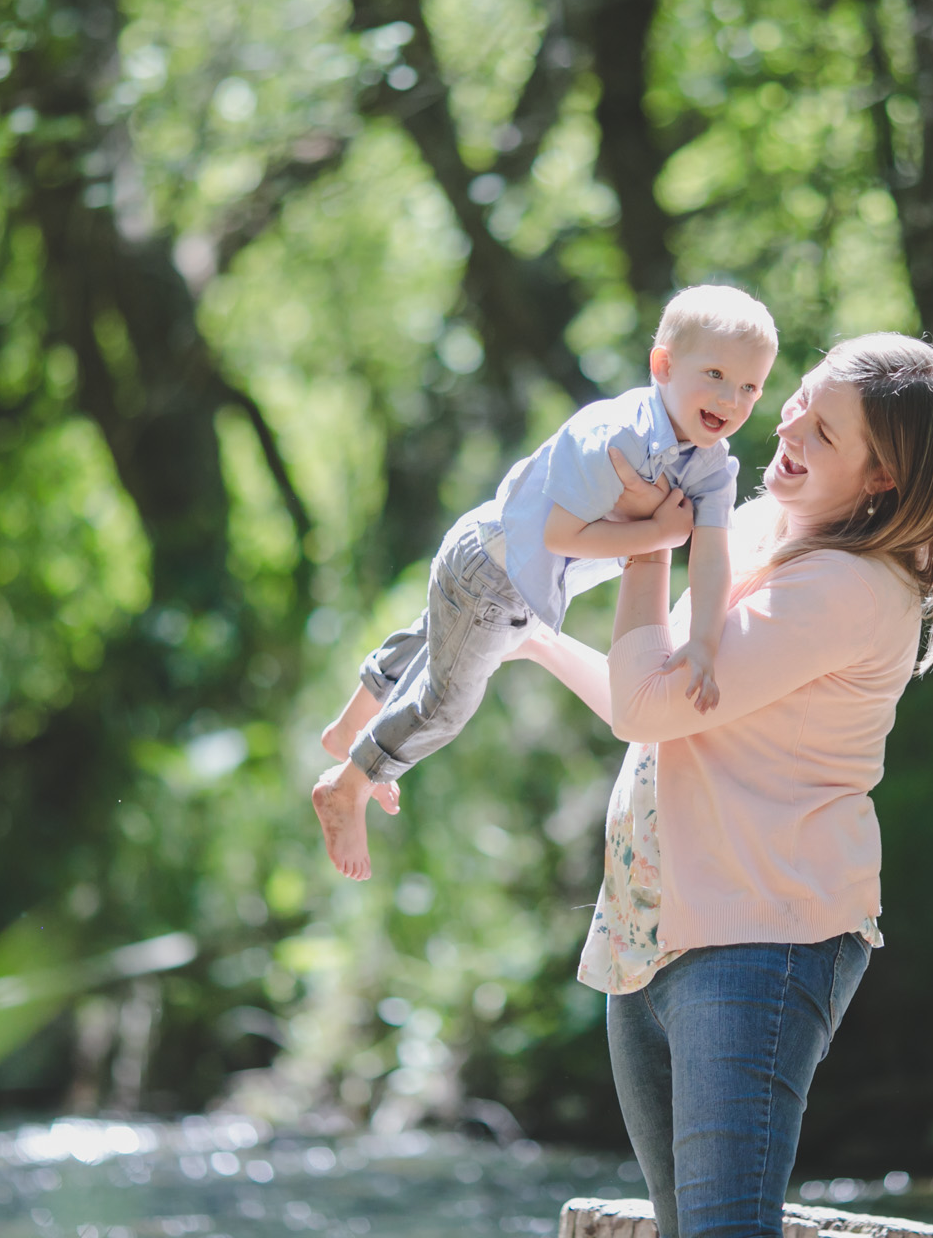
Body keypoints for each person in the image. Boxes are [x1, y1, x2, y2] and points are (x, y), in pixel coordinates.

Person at [509, 333, 933, 1238]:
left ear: (882, 477)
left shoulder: (850, 588)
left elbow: (647, 705)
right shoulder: (769, 533)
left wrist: (652, 539)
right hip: (654, 930)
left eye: (826, 428)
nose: (789, 423)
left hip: (757, 940)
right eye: (801, 397)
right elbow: (645, 695)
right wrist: (532, 638)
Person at [313, 286, 779, 881]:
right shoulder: (614, 434)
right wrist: (658, 532)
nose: (729, 398)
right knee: (446, 701)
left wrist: (707, 641)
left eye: (749, 387)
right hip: (494, 574)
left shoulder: (711, 466)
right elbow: (562, 534)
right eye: (714, 374)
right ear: (663, 366)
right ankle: (349, 783)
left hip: (493, 562)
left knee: (434, 638)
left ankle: (351, 725)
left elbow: (714, 555)